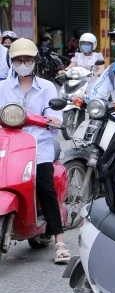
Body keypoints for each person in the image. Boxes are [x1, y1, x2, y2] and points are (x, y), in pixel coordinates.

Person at [0, 39, 67, 263]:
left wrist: (53, 120)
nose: (23, 63)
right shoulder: (3, 88)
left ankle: (59, 241)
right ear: (12, 62)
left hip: (39, 145)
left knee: (45, 186)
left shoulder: (47, 87)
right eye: (18, 60)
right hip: (9, 146)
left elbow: (56, 115)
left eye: (27, 59)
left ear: (35, 61)